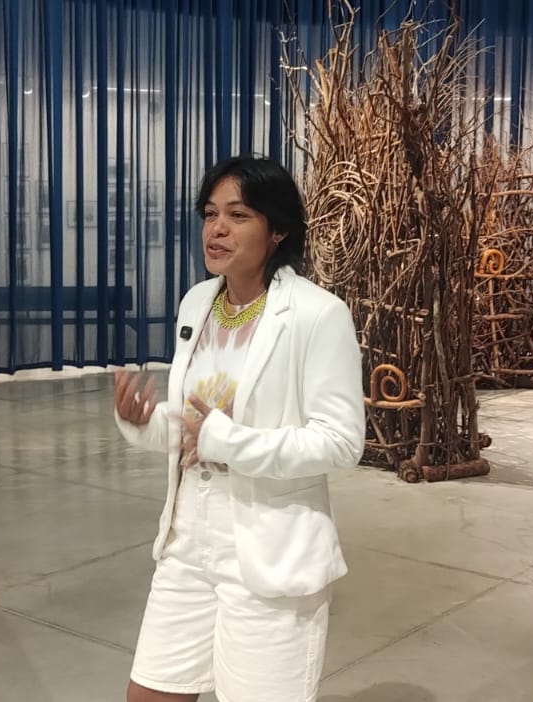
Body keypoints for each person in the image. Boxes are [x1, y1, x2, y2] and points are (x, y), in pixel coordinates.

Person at [112, 155, 366, 702]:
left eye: (238, 215)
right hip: (187, 538)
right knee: (150, 694)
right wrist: (146, 423)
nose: (217, 229)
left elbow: (341, 441)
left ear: (278, 231)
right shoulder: (197, 303)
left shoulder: (317, 314)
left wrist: (225, 441)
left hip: (269, 549)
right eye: (210, 214)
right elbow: (193, 423)